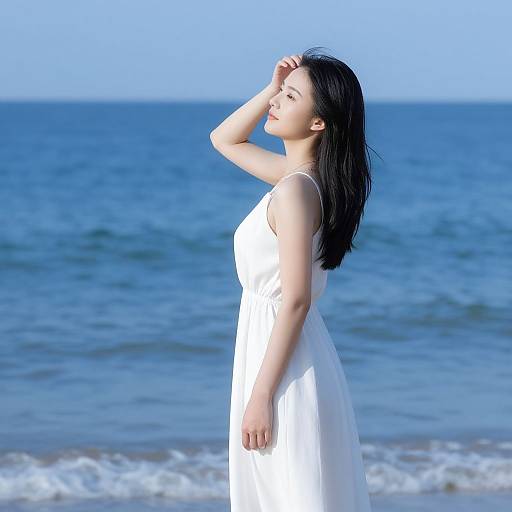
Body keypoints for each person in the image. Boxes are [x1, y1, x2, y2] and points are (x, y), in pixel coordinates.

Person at [210, 47, 373, 511]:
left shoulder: (298, 190)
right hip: (280, 354)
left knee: (294, 494)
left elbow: (297, 299)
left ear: (318, 121)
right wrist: (270, 87)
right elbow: (224, 139)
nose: (277, 101)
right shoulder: (299, 180)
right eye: (280, 93)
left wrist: (261, 395)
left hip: (283, 368)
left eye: (290, 96)